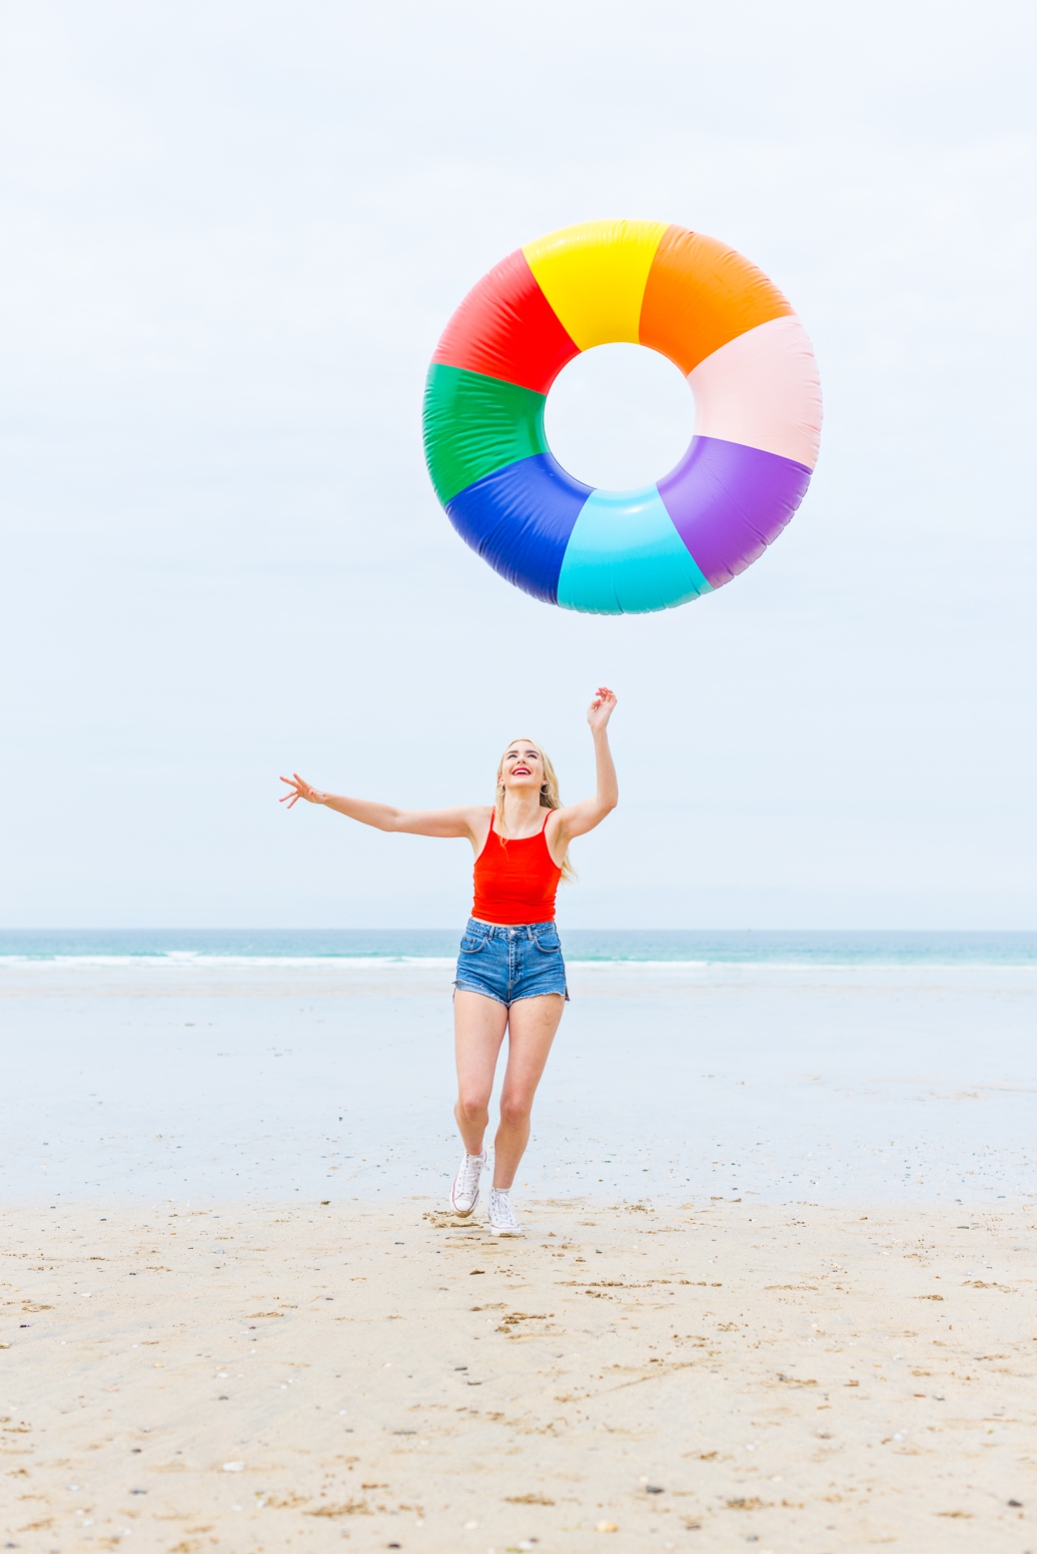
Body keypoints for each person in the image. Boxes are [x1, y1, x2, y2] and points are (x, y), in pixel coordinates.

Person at [279, 688, 618, 1236]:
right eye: (513, 754)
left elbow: (606, 802)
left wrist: (598, 732)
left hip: (540, 961)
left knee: (514, 1103)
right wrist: (324, 797)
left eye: (531, 754)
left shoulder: (557, 826)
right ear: (502, 776)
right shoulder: (477, 822)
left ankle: (502, 1198)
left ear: (544, 777)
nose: (522, 759)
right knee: (473, 1099)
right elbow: (394, 818)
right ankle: (473, 1158)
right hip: (481, 957)